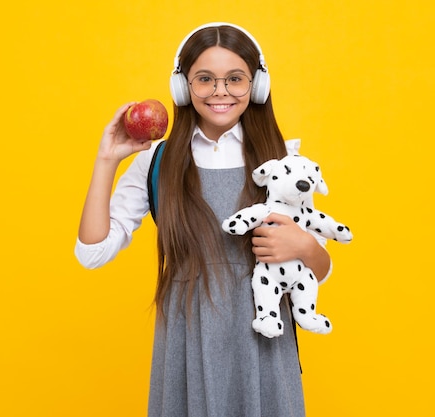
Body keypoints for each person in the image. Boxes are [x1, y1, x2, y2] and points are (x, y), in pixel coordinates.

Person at [75, 22, 333, 417]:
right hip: (186, 339)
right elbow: (92, 253)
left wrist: (304, 246)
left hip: (263, 340)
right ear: (183, 87)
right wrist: (107, 159)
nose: (220, 91)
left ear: (257, 85)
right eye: (205, 79)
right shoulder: (156, 161)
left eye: (235, 79)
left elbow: (317, 271)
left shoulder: (284, 161)